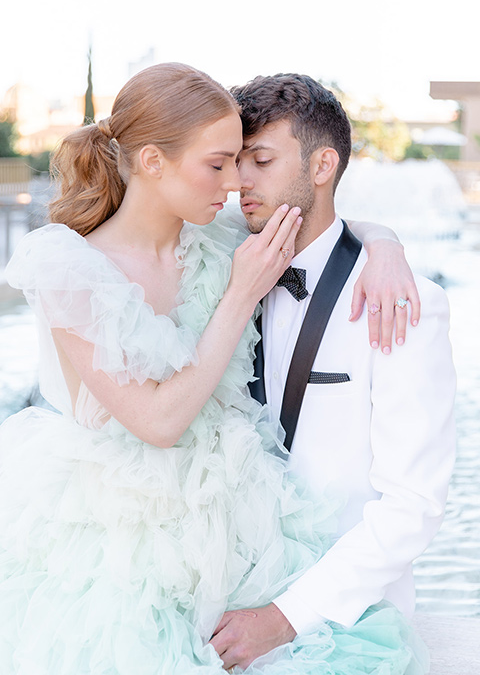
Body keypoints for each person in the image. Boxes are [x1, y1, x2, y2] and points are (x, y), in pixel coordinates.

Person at [0, 63, 427, 675]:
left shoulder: (217, 238)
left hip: (237, 518)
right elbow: (157, 421)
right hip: (119, 540)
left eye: (243, 162)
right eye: (219, 163)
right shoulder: (70, 268)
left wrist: (386, 244)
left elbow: (312, 214)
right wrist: (238, 298)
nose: (234, 184)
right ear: (152, 162)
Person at [210, 73, 457, 671]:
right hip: (225, 598)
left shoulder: (402, 304)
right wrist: (383, 237)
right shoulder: (222, 262)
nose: (241, 180)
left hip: (342, 624)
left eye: (261, 160)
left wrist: (286, 617)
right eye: (236, 161)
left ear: (323, 166)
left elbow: (413, 506)